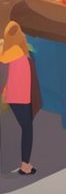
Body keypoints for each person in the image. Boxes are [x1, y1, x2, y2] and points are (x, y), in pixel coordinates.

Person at [1, 21, 37, 176]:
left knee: (26, 127)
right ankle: (25, 165)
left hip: (20, 96)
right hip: (20, 97)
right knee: (27, 129)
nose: (23, 34)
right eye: (19, 31)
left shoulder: (15, 50)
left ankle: (25, 163)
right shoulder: (16, 50)